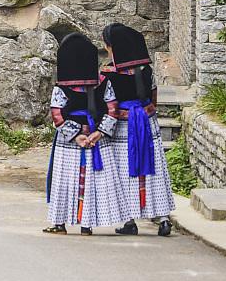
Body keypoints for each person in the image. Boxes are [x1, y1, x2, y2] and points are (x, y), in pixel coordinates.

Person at [43, 33, 127, 235]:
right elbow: (112, 110)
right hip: (96, 139)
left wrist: (76, 135)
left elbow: (57, 115)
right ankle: (86, 225)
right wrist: (98, 133)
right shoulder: (103, 82)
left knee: (64, 180)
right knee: (90, 181)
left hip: (69, 143)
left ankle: (59, 223)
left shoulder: (61, 86)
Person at [101, 23, 175, 236]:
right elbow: (153, 97)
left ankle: (130, 221)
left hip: (123, 128)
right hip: (147, 122)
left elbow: (109, 103)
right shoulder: (146, 69)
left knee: (125, 172)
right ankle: (163, 218)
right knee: (153, 168)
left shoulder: (108, 73)